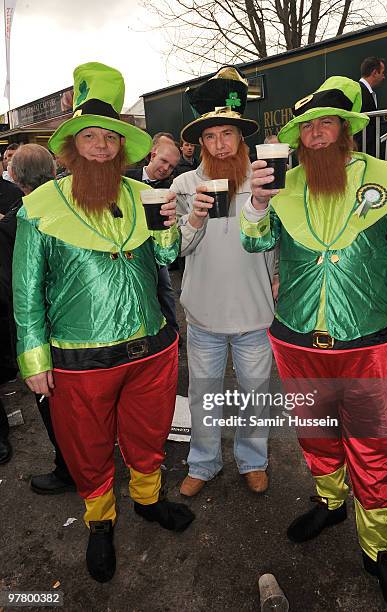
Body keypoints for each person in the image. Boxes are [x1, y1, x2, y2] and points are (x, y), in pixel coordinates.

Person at [241, 76, 387, 612]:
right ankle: (330, 502)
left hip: (365, 341)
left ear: (345, 131)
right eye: (308, 128)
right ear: (298, 139)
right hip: (296, 339)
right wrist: (255, 200)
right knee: (316, 434)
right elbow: (258, 241)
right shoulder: (285, 184)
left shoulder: (383, 177)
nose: (316, 135)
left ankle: (379, 550)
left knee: (371, 447)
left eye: (327, 125)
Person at [13, 62, 194, 583]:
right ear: (70, 148)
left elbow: (165, 255)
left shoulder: (143, 196)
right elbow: (26, 291)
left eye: (109, 138)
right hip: (79, 357)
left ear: (121, 145)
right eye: (88, 137)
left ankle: (145, 500)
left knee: (149, 433)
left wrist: (170, 228)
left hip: (152, 349)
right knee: (88, 446)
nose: (100, 146)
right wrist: (33, 358)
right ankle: (99, 523)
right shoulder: (39, 206)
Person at [171, 66, 275, 497]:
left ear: (240, 138)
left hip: (254, 312)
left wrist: (277, 275)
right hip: (204, 314)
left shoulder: (266, 179)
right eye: (210, 136)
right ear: (201, 142)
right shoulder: (183, 184)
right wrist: (193, 217)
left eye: (226, 135)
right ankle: (204, 462)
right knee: (204, 394)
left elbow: (276, 242)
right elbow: (175, 250)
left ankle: (253, 460)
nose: (219, 143)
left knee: (255, 393)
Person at [0, 144, 76, 492]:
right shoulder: (74, 203)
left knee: (53, 406)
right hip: (81, 325)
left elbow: (13, 288)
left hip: (42, 330)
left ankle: (69, 469)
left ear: (14, 176)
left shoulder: (20, 218)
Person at [126, 141, 181, 335]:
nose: (166, 168)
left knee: (165, 288)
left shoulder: (170, 188)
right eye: (163, 161)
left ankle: (172, 334)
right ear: (152, 155)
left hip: (157, 250)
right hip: (129, 249)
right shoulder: (126, 178)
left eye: (172, 166)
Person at [355, 57, 385, 155]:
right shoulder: (359, 91)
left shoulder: (365, 91)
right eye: (382, 73)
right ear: (375, 73)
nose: (383, 77)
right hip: (361, 151)